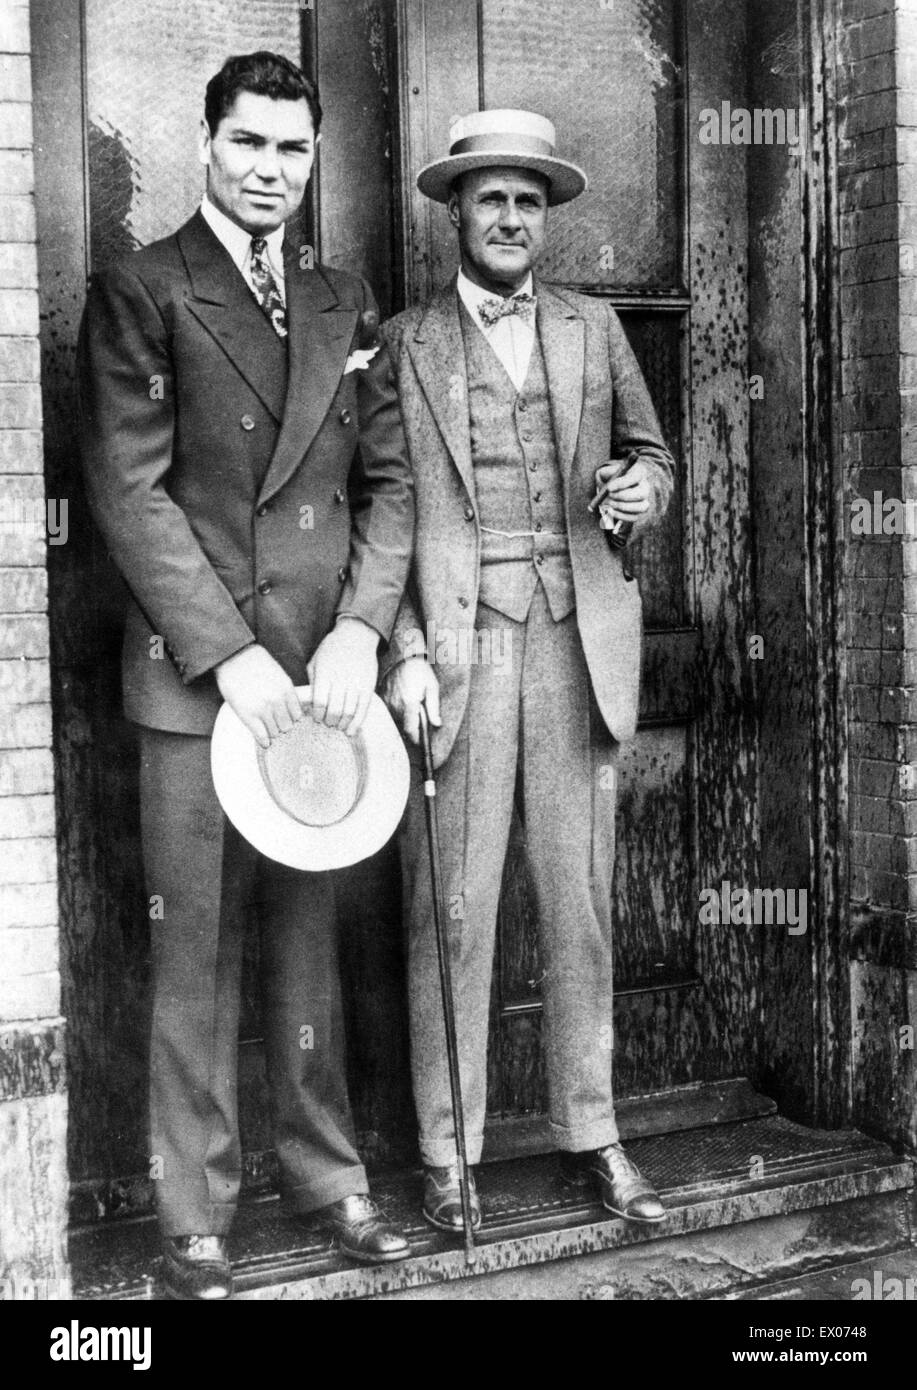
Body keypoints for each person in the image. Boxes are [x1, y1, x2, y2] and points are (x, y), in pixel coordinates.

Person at [77, 51, 414, 1299]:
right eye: (249, 144)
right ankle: (194, 1215)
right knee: (197, 950)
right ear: (205, 146)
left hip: (325, 690)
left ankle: (330, 1182)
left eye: (293, 149)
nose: (271, 170)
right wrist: (229, 658)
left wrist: (360, 633)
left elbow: (390, 487)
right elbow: (129, 491)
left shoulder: (342, 296)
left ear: (313, 159)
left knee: (309, 943)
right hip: (196, 682)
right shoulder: (144, 288)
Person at [381, 109, 674, 1233]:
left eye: (528, 201)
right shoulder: (406, 344)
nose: (510, 219)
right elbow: (383, 513)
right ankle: (446, 1154)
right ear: (454, 211)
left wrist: (640, 490)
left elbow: (649, 454)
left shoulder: (592, 329)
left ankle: (592, 1134)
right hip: (455, 650)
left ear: (544, 218)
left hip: (572, 642)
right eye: (489, 198)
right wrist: (404, 650)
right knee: (448, 912)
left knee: (579, 908)